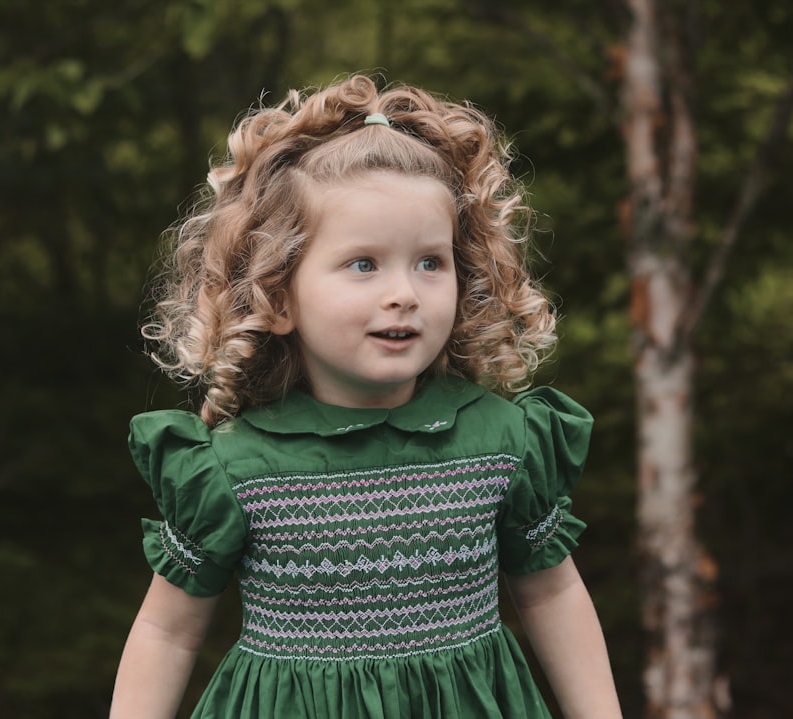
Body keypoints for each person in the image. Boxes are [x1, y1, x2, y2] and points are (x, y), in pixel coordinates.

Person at [110, 74, 623, 719]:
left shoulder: (504, 441)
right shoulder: (233, 469)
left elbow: (550, 595)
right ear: (278, 295)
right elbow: (168, 629)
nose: (404, 292)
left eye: (431, 262)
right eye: (363, 264)